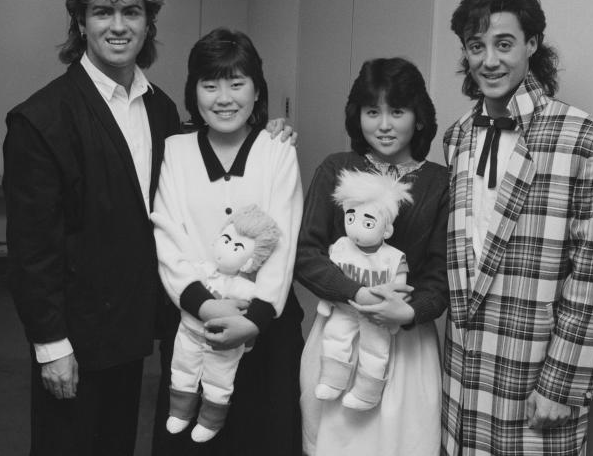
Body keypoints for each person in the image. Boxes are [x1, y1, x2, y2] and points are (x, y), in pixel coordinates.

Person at [3, 0, 293, 456]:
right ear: (80, 20)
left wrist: (269, 130)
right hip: (76, 337)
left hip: (136, 333)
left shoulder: (160, 109)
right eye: (102, 11)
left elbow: (197, 171)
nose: (118, 26)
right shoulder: (41, 119)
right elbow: (32, 251)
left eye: (131, 11)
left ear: (148, 22)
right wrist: (51, 347)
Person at [441, 0, 593, 456]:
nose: (490, 60)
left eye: (504, 44)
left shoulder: (587, 142)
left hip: (535, 371)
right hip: (462, 372)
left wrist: (562, 383)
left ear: (532, 44)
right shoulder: (457, 135)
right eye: (476, 46)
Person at [150, 27, 305, 455]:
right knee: (190, 436)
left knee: (261, 438)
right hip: (193, 320)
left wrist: (253, 318)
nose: (224, 97)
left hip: (266, 327)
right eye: (210, 84)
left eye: (237, 84)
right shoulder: (176, 151)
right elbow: (169, 237)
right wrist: (205, 304)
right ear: (192, 92)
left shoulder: (276, 150)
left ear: (257, 92)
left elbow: (284, 240)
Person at [296, 57, 448, 456]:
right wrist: (357, 295)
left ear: (418, 118)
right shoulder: (337, 169)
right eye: (372, 111)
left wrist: (411, 312)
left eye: (397, 111)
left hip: (408, 343)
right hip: (338, 338)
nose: (383, 124)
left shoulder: (439, 182)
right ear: (357, 116)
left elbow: (441, 272)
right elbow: (307, 253)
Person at [154, 204, 282, 442]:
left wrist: (248, 340)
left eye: (237, 247)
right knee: (182, 369)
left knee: (219, 380)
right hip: (189, 333)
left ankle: (210, 421)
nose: (226, 248)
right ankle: (180, 412)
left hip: (223, 345)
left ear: (248, 262)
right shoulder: (203, 270)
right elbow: (184, 272)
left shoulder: (245, 288)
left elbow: (251, 312)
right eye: (226, 239)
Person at [312, 169, 413, 411]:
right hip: (343, 308)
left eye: (367, 222)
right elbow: (330, 275)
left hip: (377, 315)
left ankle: (367, 394)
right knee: (335, 337)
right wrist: (327, 301)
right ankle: (332, 381)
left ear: (386, 230)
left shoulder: (393, 257)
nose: (356, 228)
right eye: (350, 219)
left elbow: (400, 286)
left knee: (376, 350)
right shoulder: (341, 246)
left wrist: (395, 312)